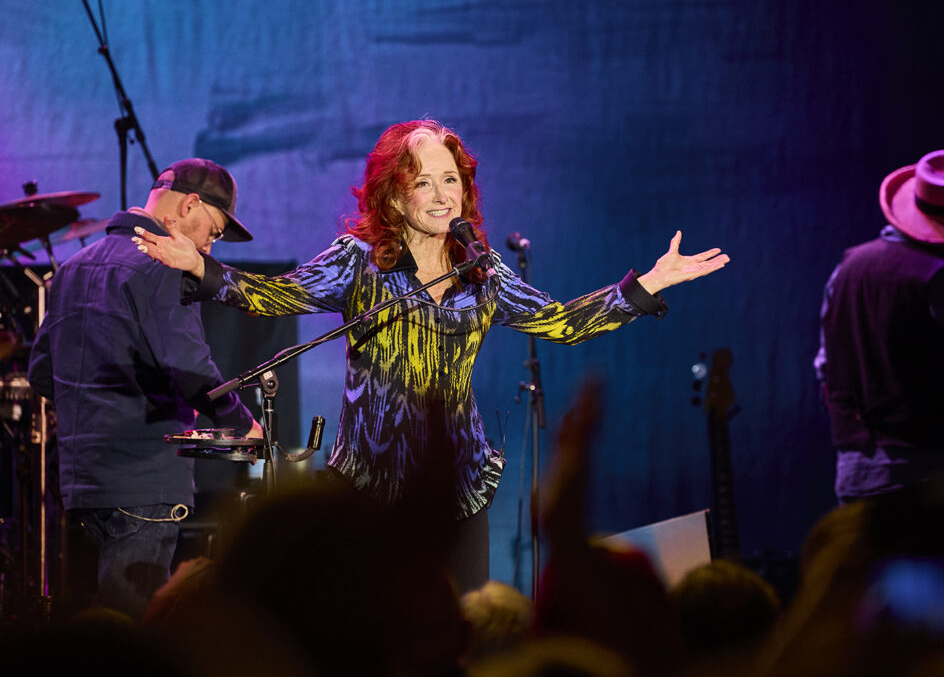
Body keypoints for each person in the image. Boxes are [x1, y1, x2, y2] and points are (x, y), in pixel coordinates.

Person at [132, 119, 730, 591]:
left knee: (457, 630)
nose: (443, 196)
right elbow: (277, 296)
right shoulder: (358, 260)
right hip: (370, 486)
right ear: (394, 196)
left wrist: (647, 285)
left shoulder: (482, 271)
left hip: (457, 486)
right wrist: (203, 269)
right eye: (423, 182)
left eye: (451, 180)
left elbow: (563, 323)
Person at [28, 158, 262, 619]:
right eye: (213, 232)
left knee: (94, 627)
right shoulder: (164, 265)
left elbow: (41, 373)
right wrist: (243, 424)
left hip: (80, 483)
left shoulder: (72, 269)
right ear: (189, 205)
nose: (208, 247)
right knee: (130, 632)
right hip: (144, 481)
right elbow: (191, 368)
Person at [815, 148, 944, 503]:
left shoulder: (846, 269)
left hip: (855, 472)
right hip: (927, 479)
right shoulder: (939, 279)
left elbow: (825, 368)